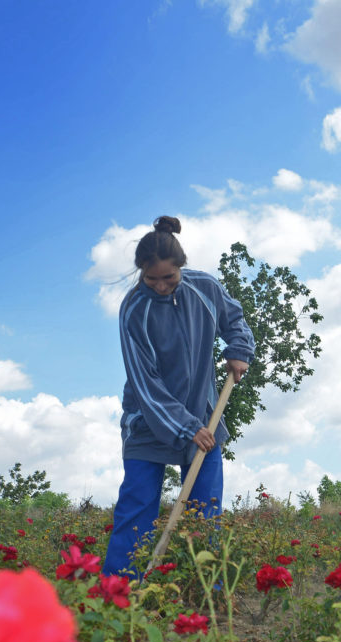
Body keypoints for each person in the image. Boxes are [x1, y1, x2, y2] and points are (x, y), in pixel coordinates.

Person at [105, 216, 255, 578]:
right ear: (141, 272)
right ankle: (118, 592)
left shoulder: (205, 287)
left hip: (205, 415)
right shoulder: (133, 310)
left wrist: (239, 349)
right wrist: (186, 427)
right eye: (151, 279)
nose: (160, 286)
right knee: (137, 508)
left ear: (181, 267)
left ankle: (203, 594)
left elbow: (235, 321)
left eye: (169, 278)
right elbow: (146, 383)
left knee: (205, 513)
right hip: (148, 420)